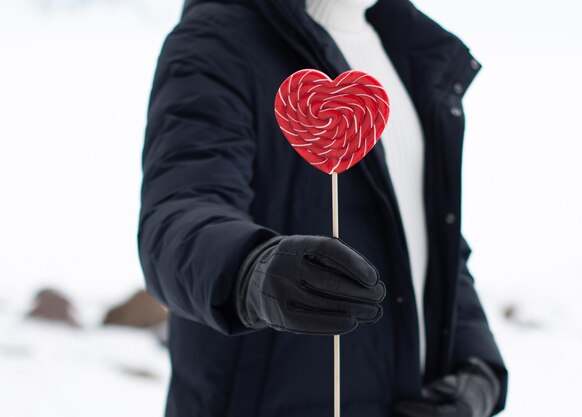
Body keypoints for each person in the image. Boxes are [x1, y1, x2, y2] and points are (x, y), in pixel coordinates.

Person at [138, 0, 508, 416]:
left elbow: (431, 238)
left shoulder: (409, 49)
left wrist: (476, 367)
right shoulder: (220, 39)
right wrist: (251, 270)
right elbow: (176, 216)